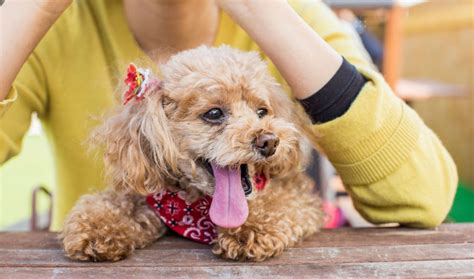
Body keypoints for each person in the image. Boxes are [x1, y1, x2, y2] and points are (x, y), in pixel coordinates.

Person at [0, 0, 457, 231]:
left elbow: (424, 196)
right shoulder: (55, 24)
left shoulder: (290, 16)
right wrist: (30, 7)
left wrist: (263, 10)